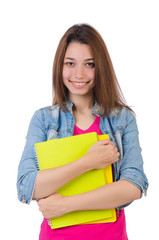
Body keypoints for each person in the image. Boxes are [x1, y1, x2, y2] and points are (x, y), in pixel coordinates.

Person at [17, 24, 148, 240]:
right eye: (70, 63)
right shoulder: (43, 120)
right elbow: (27, 186)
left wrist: (65, 205)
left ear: (101, 68)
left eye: (90, 64)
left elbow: (133, 185)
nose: (79, 73)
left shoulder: (122, 119)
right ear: (60, 66)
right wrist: (88, 162)